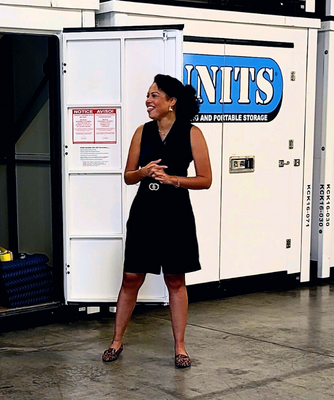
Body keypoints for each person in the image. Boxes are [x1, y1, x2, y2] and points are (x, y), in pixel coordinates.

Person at [102, 74, 212, 368]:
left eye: (154, 96)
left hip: (176, 212)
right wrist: (144, 171)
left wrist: (173, 179)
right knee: (131, 277)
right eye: (148, 96)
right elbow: (128, 176)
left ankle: (180, 347)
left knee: (176, 279)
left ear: (171, 102)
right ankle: (116, 341)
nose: (148, 101)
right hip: (145, 211)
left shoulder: (192, 133)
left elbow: (206, 180)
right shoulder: (142, 131)